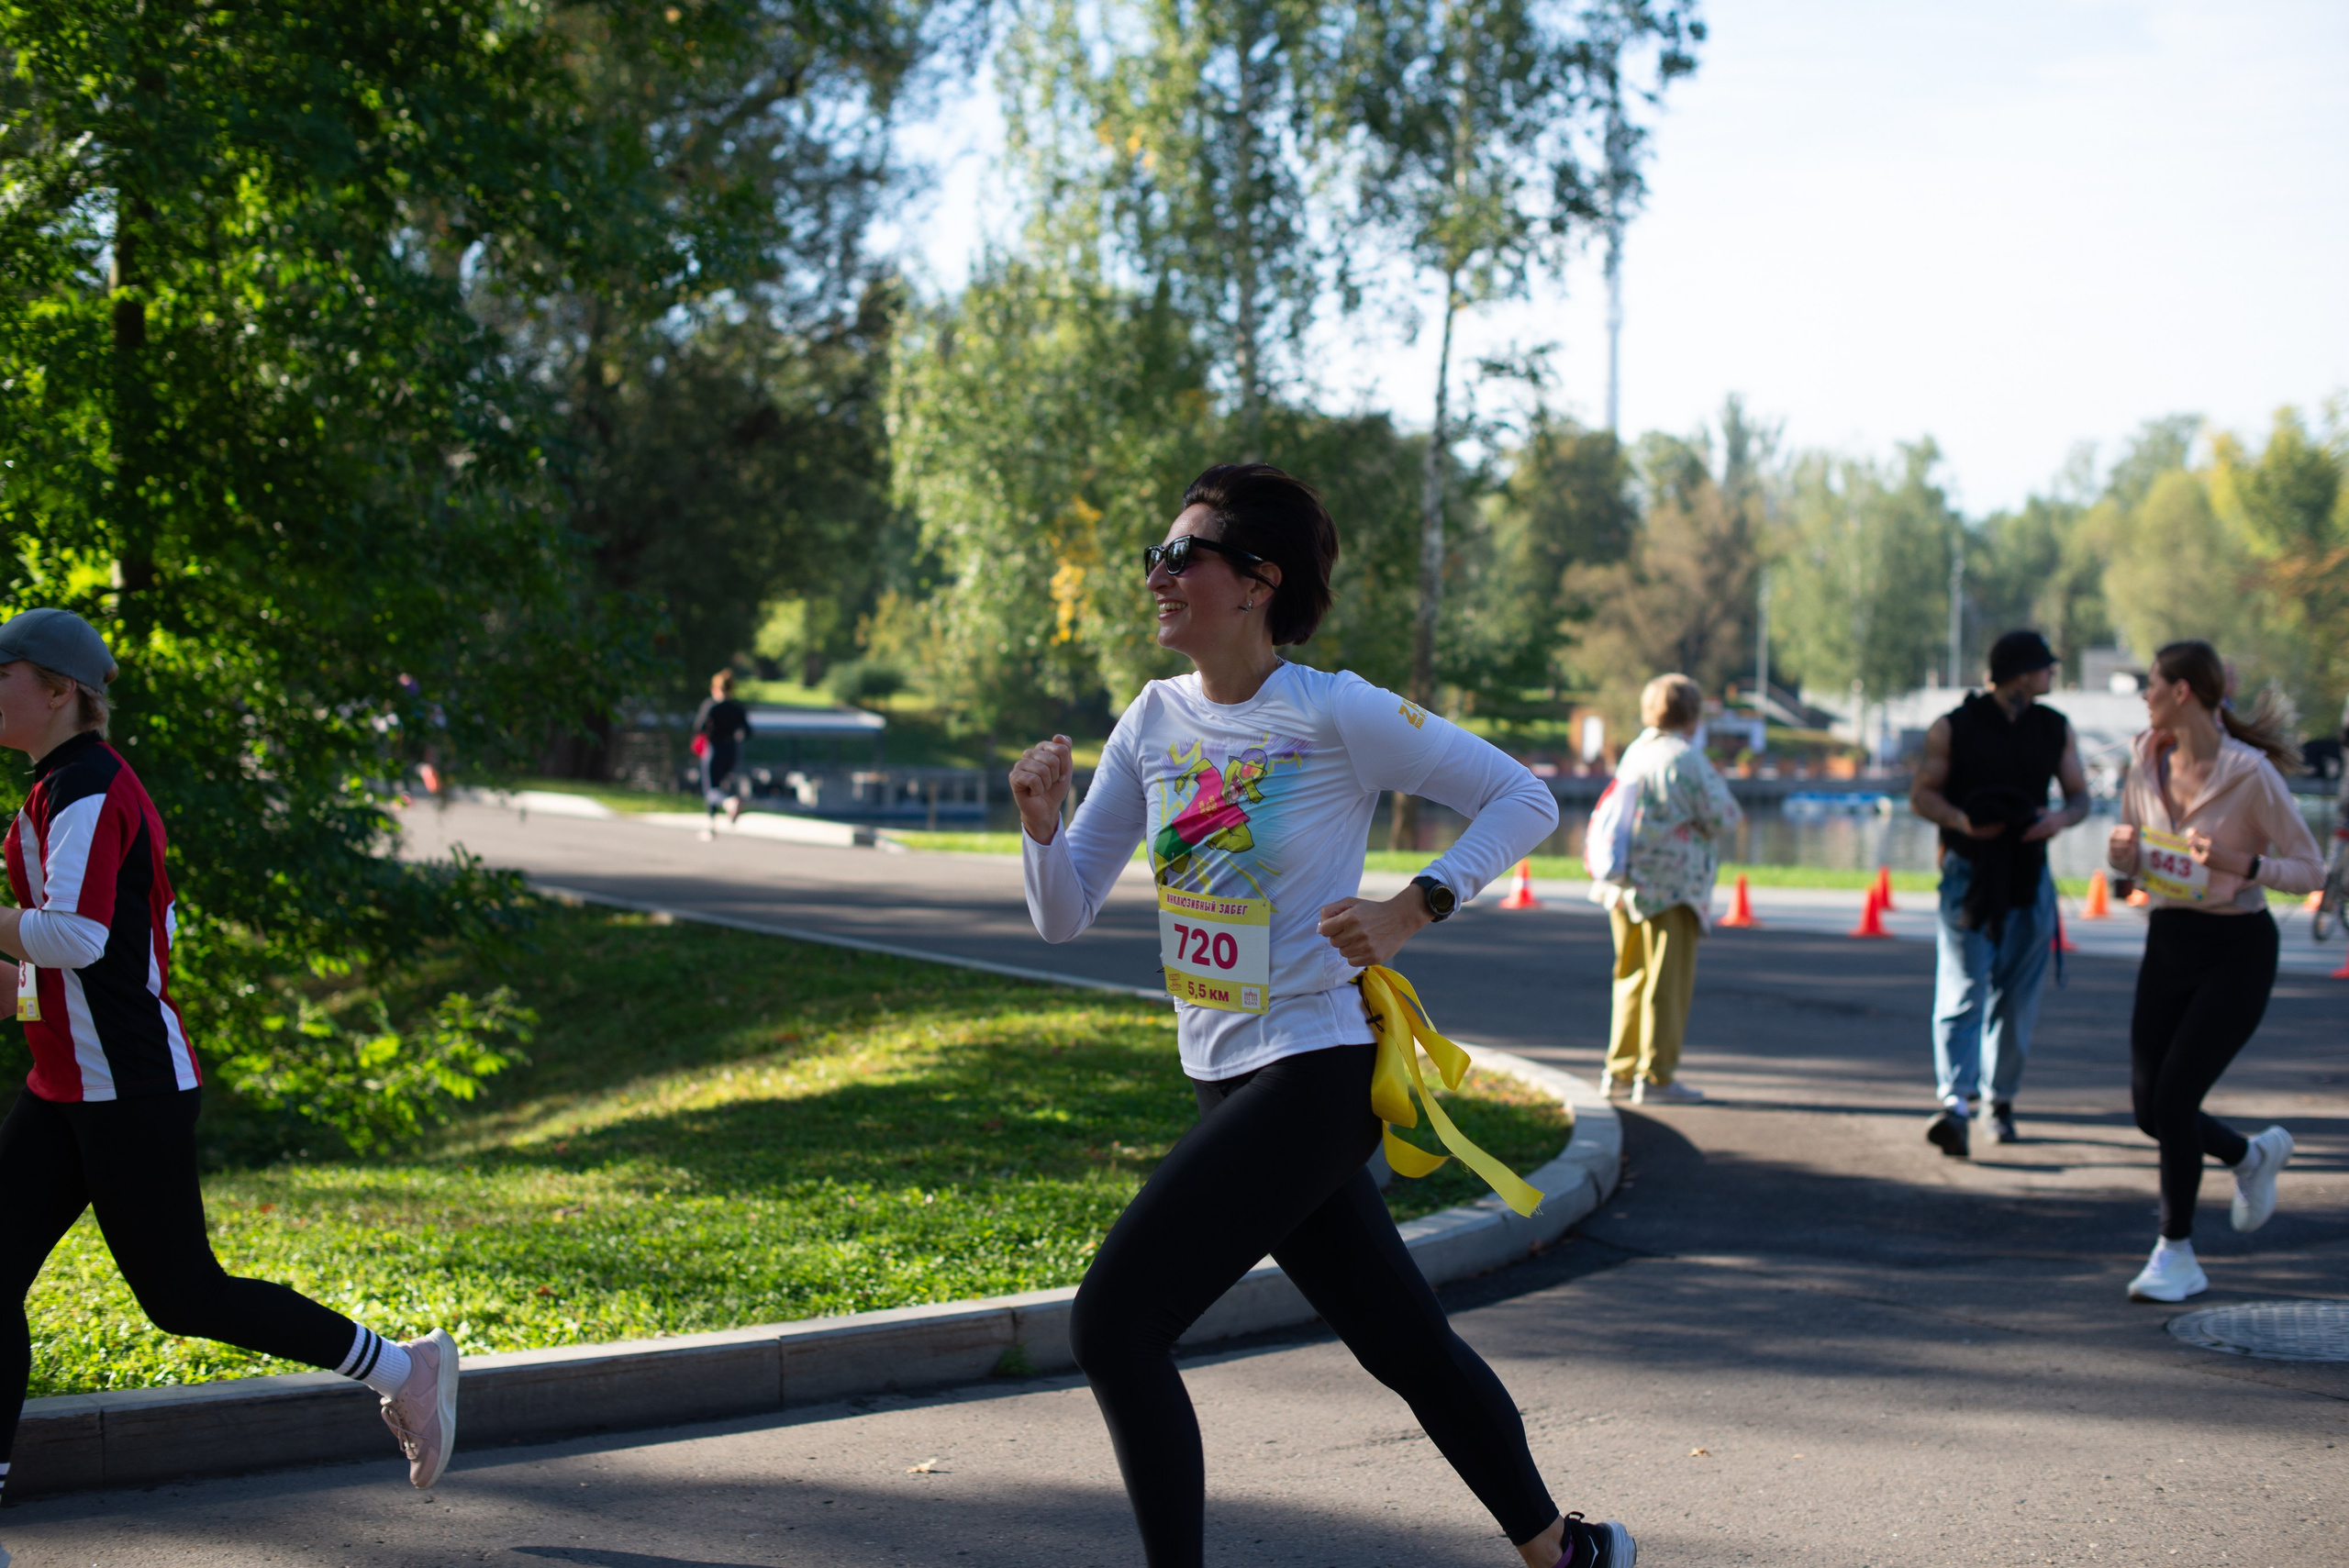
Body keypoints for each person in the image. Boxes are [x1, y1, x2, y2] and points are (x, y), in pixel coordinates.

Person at [1012, 465, 1630, 1568]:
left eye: (1180, 553)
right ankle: (1568, 1553)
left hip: (1317, 1066)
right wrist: (1040, 827)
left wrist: (1412, 905)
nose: (1157, 573)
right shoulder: (1151, 719)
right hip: (1221, 1072)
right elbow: (1063, 914)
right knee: (1404, 1340)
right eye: (1155, 554)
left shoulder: (1332, 709)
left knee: (1113, 1323)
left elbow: (1524, 795)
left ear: (1256, 581)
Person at [0, 609, 460, 1539]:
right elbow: (76, 958)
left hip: (128, 1090)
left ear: (58, 689)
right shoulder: (54, 788)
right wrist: (17, 993)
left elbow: (77, 939)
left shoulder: (87, 786)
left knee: (184, 1296)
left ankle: (405, 1371)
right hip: (66, 1086)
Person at [2106, 639, 2321, 1304]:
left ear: (2183, 692)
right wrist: (2124, 861)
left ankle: (2177, 1252)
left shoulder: (2249, 774)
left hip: (2237, 949)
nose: (2143, 694)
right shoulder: (2144, 761)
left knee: (2174, 1097)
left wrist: (2242, 863)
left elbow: (2311, 869)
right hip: (2169, 941)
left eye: (2151, 683)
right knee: (2150, 1108)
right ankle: (2249, 1156)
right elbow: (2141, 867)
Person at [1908, 629, 2089, 1156]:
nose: (2052, 674)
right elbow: (1921, 794)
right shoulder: (1955, 727)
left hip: (2030, 875)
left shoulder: (2054, 728)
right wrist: (1961, 820)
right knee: (1963, 989)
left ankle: (1998, 1101)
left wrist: (2055, 820)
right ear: (2020, 673)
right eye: (2045, 667)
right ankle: (1954, 1105)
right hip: (1970, 873)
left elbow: (2079, 798)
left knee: (2016, 996)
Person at [1590, 674, 1742, 1105]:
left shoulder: (1636, 751)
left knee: (1631, 978)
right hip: (1673, 887)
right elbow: (1725, 815)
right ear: (1692, 716)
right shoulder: (1686, 759)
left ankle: (1619, 1070)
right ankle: (1656, 1077)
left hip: (1624, 884)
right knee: (1667, 984)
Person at [692, 670, 751, 840]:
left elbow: (699, 727)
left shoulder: (711, 706)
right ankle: (713, 823)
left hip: (714, 749)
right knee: (721, 784)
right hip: (731, 750)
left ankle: (727, 805)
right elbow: (747, 731)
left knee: (711, 789)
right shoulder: (737, 708)